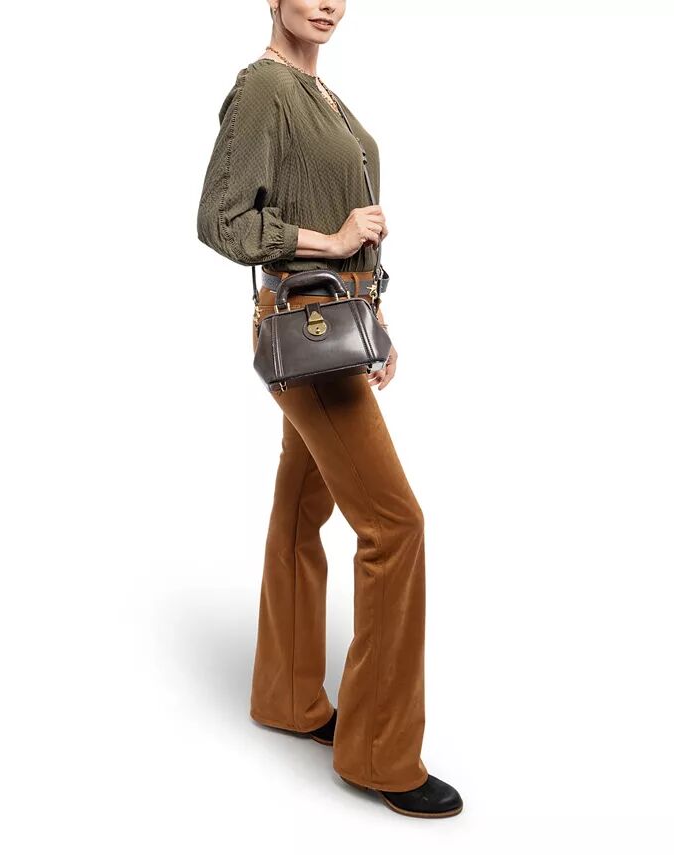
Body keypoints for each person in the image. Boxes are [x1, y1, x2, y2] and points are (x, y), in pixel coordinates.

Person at [196, 1, 463, 819]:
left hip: (338, 321)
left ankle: (286, 694)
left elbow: (351, 229)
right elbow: (222, 219)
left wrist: (373, 315)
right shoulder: (264, 88)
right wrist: (334, 241)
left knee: (301, 508)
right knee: (396, 525)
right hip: (304, 327)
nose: (329, 3)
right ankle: (379, 750)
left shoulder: (323, 95)